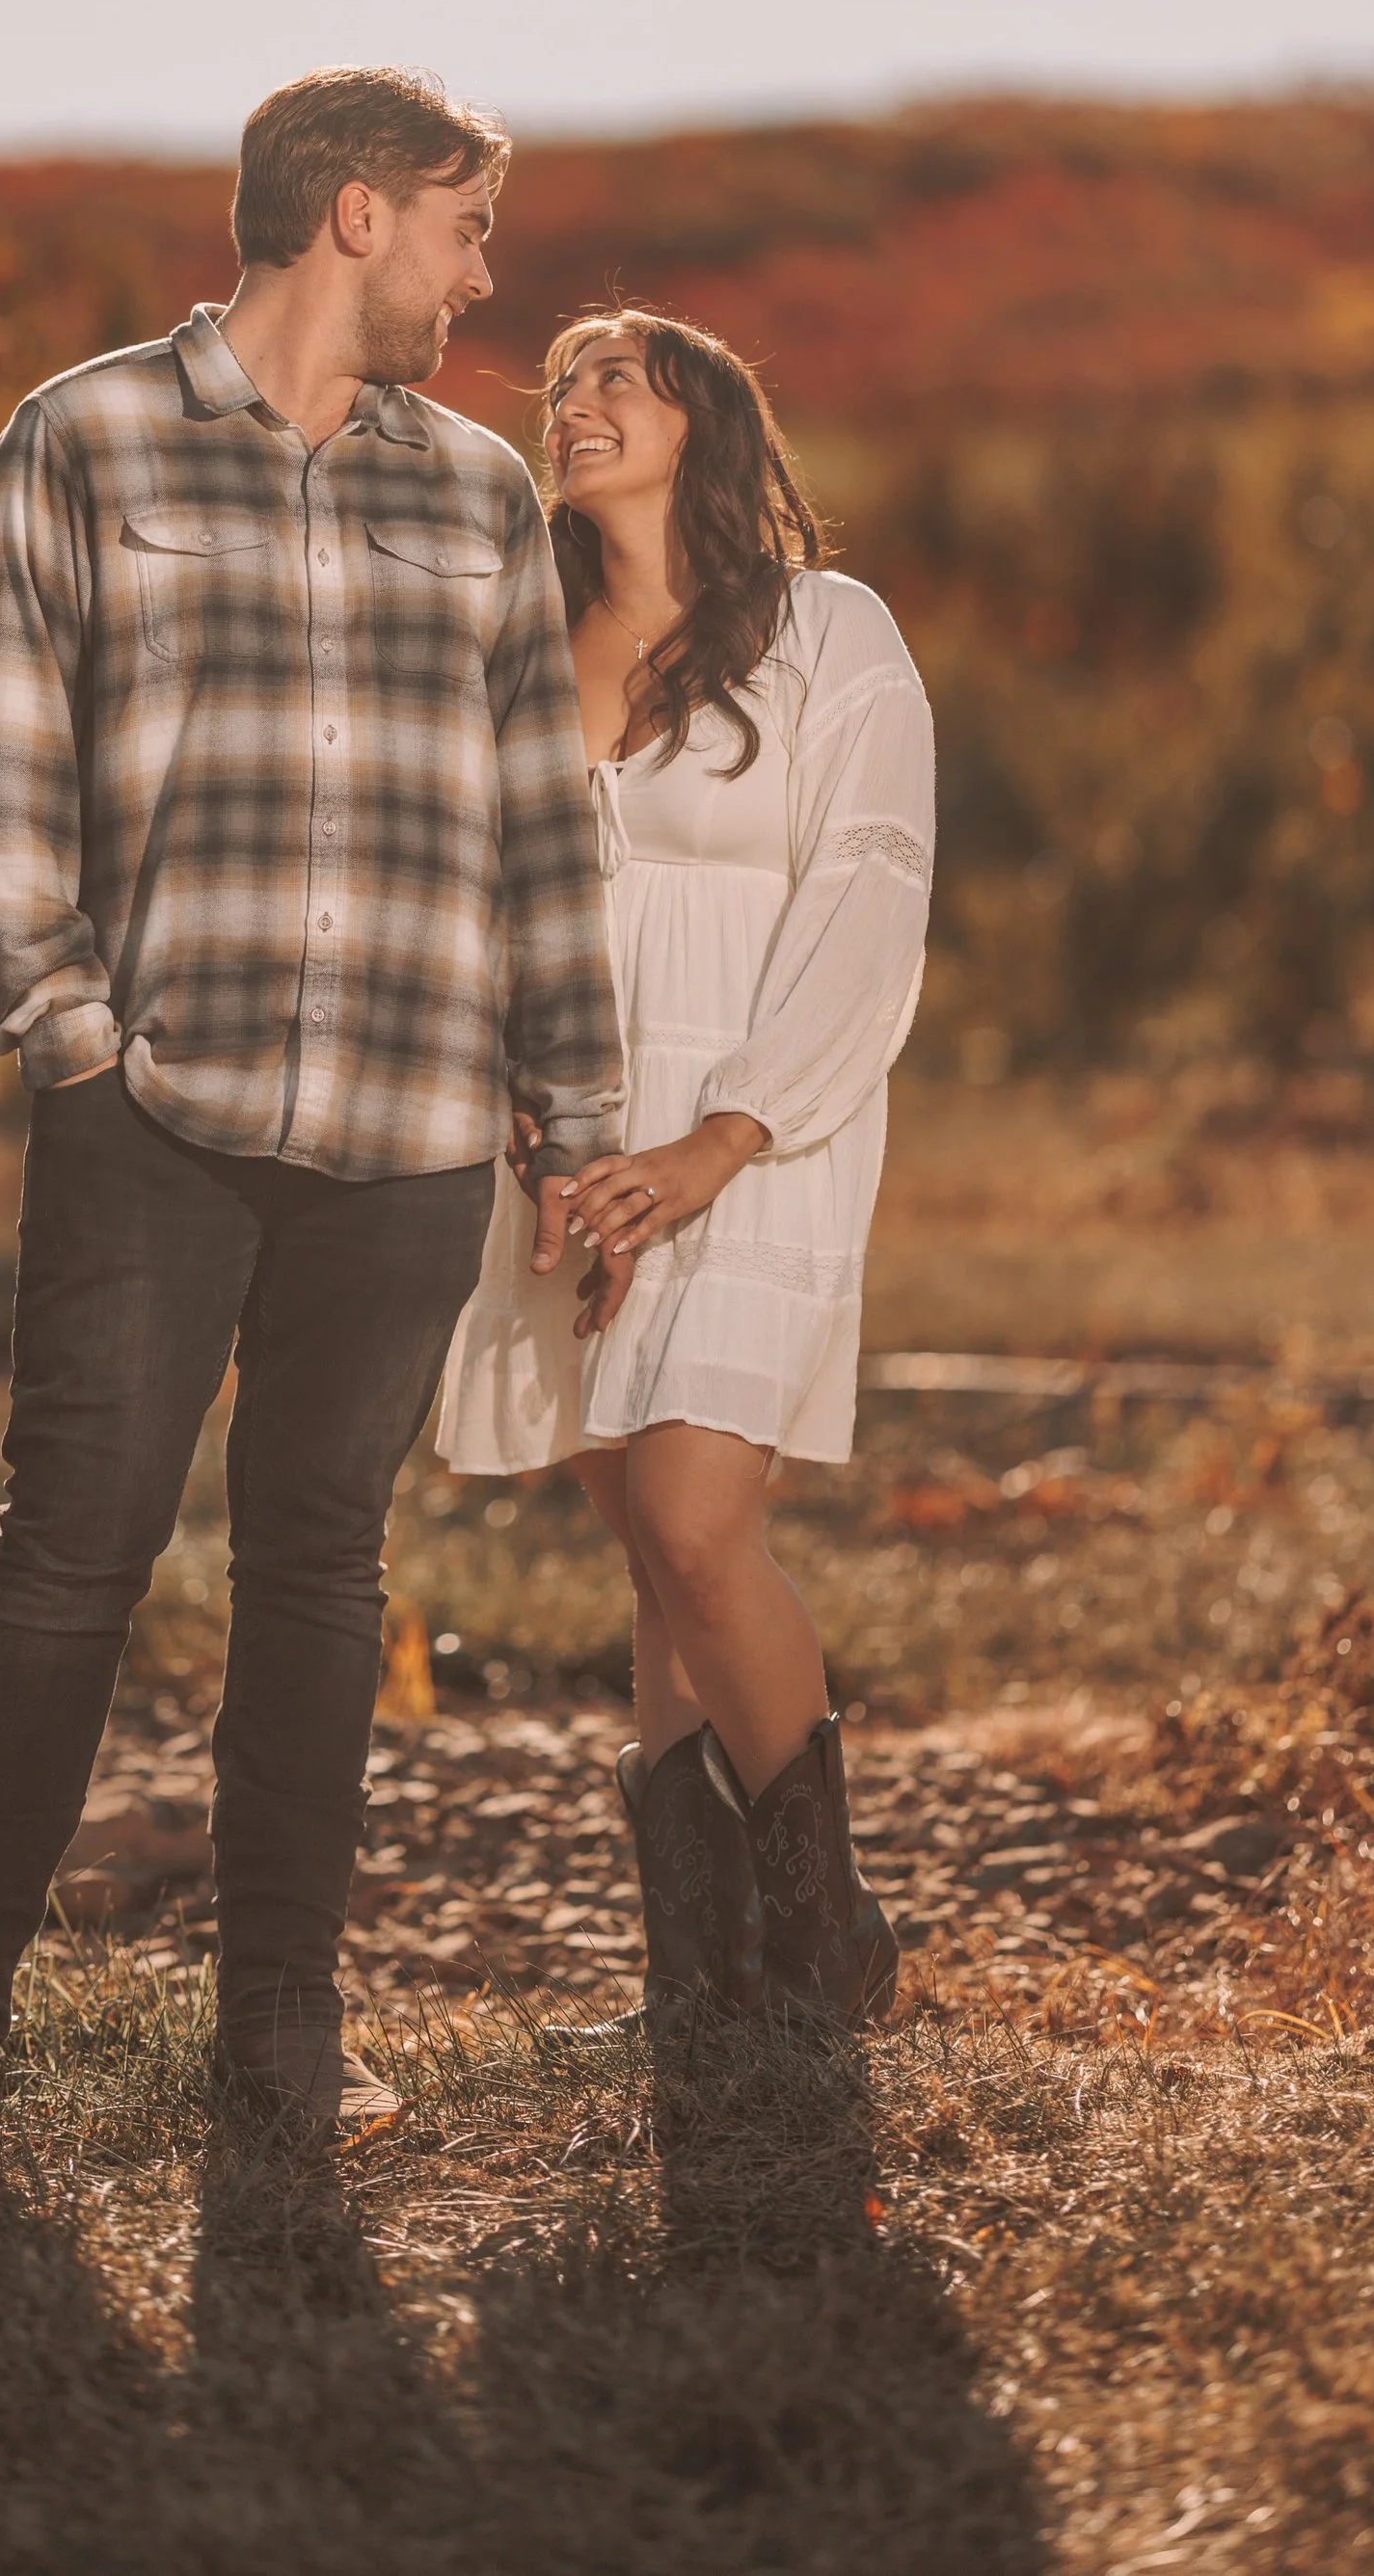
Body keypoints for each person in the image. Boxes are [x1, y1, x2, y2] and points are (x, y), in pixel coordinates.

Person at [0, 67, 623, 2155]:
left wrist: (572, 1102)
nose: (485, 270)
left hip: (406, 1128)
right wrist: (74, 1030)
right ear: (354, 213)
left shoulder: (470, 496)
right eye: (465, 223)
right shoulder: (79, 439)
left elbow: (539, 826)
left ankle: (277, 2037)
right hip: (152, 1116)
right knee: (69, 1554)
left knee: (318, 1578)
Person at [436, 310, 933, 2023]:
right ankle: (701, 1975)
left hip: (757, 1129)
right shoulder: (527, 642)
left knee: (695, 1518)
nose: (572, 407)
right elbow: (489, 901)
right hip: (577, 1147)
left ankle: (827, 1931)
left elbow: (872, 887)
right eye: (560, 386)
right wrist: (530, 1109)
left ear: (705, 424)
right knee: (651, 1558)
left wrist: (726, 1135)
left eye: (614, 384)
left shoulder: (825, 632)